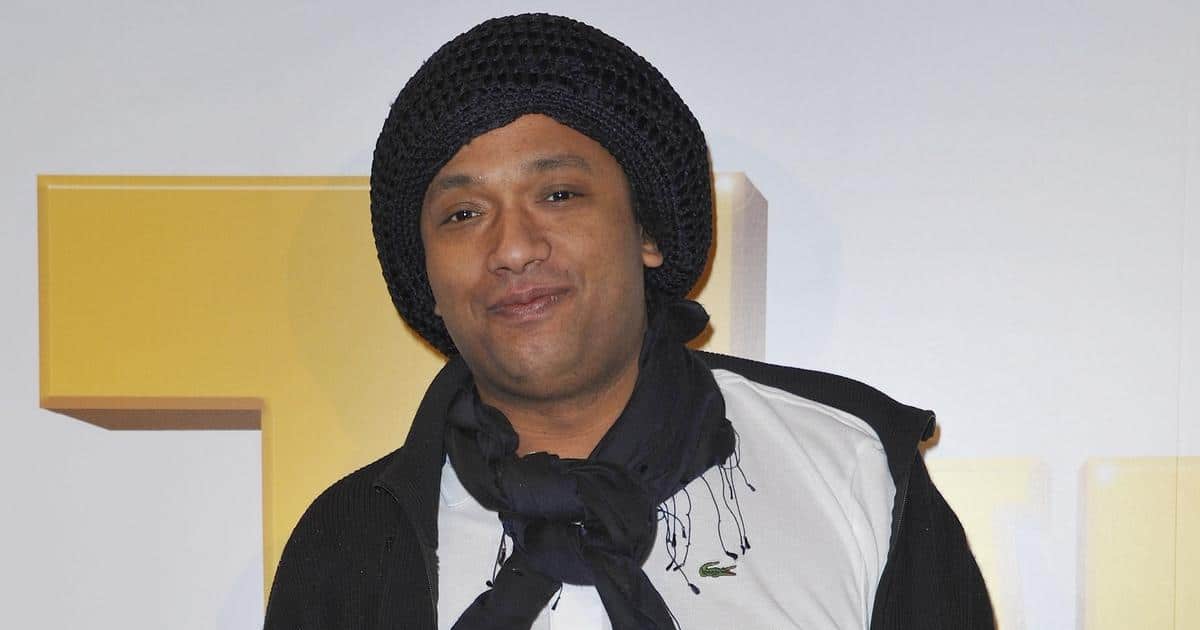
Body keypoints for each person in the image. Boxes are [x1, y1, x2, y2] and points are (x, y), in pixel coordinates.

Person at [264, 13, 993, 630]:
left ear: (647, 232)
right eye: (463, 213)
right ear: (426, 278)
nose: (512, 248)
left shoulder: (852, 468)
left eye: (558, 194)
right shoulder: (349, 544)